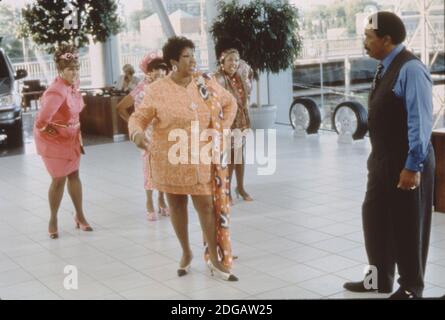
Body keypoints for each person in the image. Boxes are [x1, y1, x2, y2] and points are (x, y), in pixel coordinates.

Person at [128, 36, 239, 281]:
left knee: (206, 206)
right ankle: (186, 253)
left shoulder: (204, 83)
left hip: (201, 156)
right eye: (186, 56)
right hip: (169, 157)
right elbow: (139, 117)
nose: (192, 60)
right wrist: (136, 133)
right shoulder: (156, 89)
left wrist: (220, 129)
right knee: (177, 206)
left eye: (193, 55)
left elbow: (230, 104)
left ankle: (215, 258)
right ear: (173, 62)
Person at [343, 11, 435, 299]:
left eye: (369, 38)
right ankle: (377, 279)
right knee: (374, 218)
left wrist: (413, 166)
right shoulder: (385, 67)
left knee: (407, 223)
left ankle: (410, 286)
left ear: (387, 39)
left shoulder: (411, 69)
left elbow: (420, 122)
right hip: (381, 160)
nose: (365, 43)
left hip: (407, 161)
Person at [33, 45, 93, 239]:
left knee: (75, 174)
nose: (74, 72)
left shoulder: (73, 86)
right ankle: (53, 219)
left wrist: (72, 131)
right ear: (60, 70)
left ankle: (80, 215)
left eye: (76, 68)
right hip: (55, 142)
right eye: (70, 69)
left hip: (72, 137)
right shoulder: (56, 91)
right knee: (58, 179)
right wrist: (55, 132)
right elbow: (42, 121)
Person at [117, 52, 170, 220]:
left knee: (164, 168)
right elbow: (120, 107)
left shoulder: (168, 86)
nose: (160, 73)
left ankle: (162, 199)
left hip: (165, 133)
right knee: (149, 167)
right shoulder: (141, 87)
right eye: (156, 70)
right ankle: (149, 202)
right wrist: (135, 125)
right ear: (149, 71)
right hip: (147, 135)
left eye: (163, 70)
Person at [213, 45, 254, 204]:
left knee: (240, 155)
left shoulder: (239, 76)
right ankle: (227, 190)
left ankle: (241, 187)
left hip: (241, 120)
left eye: (236, 60)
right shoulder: (219, 78)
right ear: (222, 61)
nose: (234, 63)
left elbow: (247, 70)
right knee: (229, 157)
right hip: (227, 122)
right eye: (230, 60)